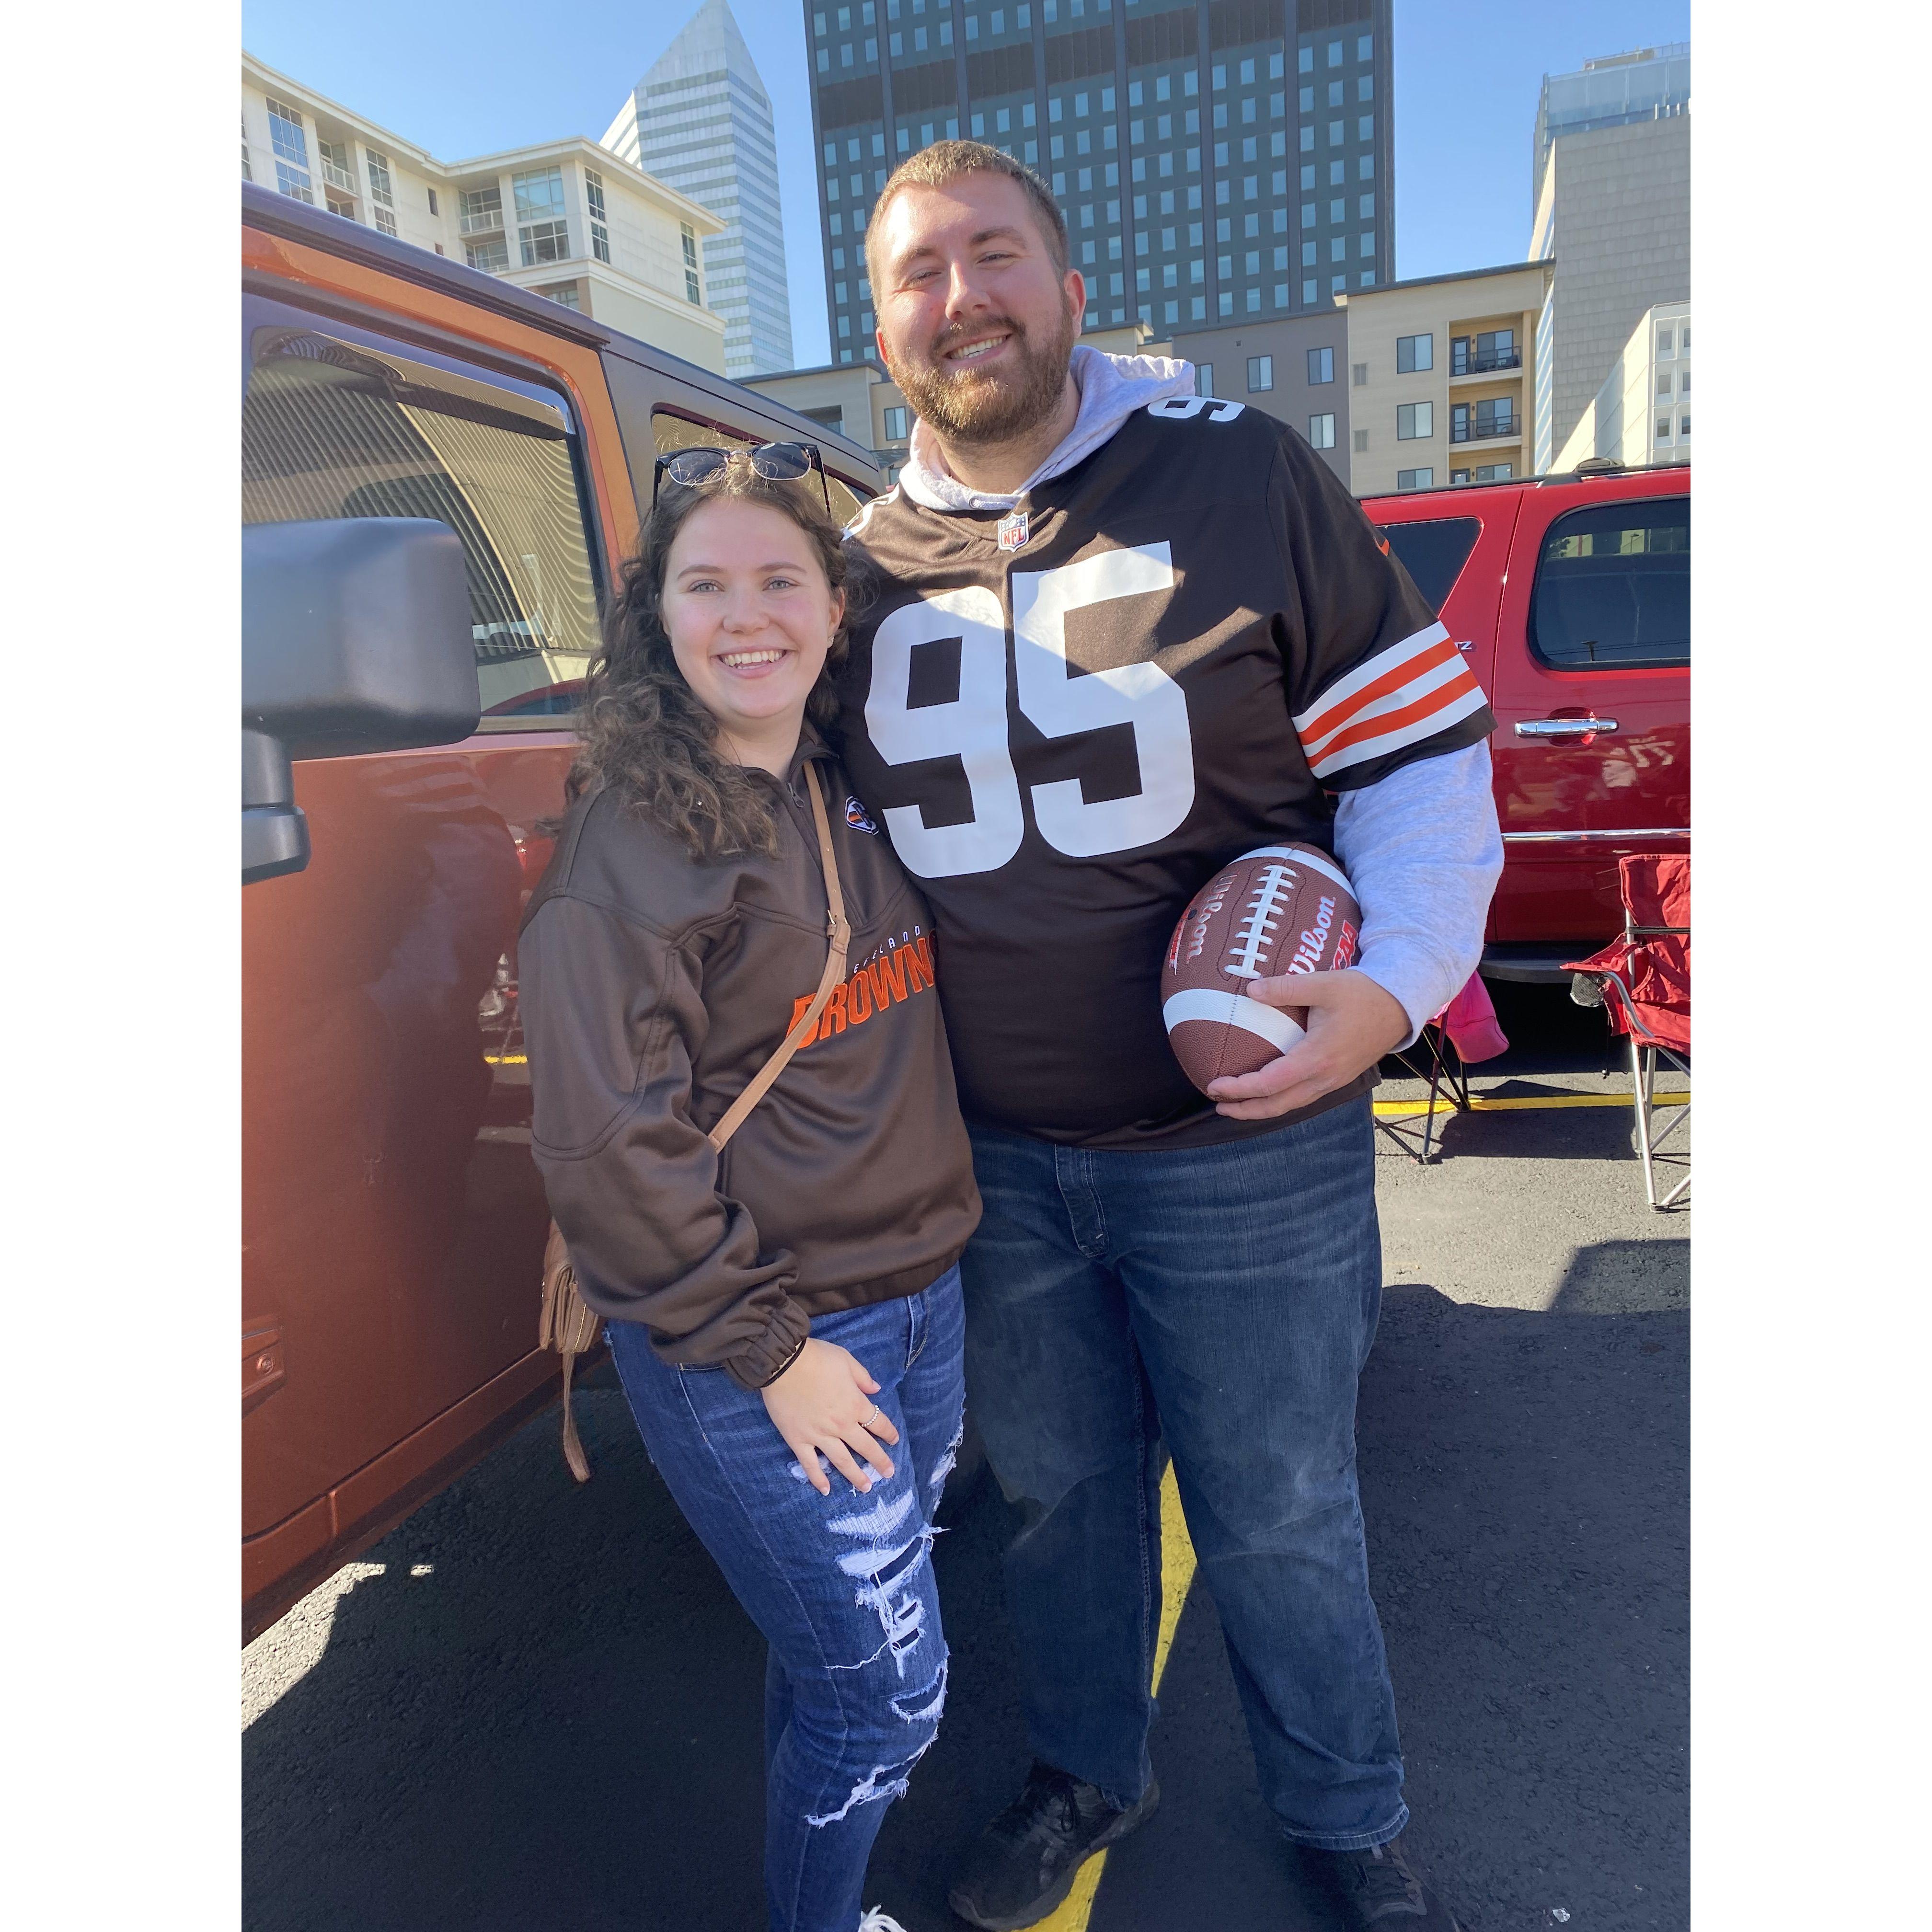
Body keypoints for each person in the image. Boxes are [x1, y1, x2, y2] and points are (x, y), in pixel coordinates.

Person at [837, 143, 1504, 1932]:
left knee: (1279, 1505)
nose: (961, 298)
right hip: (994, 1157)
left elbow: (1417, 758)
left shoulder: (1240, 473)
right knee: (1057, 1500)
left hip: (1247, 1151)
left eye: (995, 257)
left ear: (1068, 290)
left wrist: (1395, 986)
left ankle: (1348, 1816)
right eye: (919, 274)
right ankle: (1083, 1770)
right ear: (883, 330)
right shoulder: (857, 575)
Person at [517, 448, 982, 1932]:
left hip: (921, 1305)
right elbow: (606, 1141)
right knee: (890, 1699)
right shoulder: (632, 846)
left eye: (781, 579)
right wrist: (772, 1353)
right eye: (705, 584)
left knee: (833, 1662)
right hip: (771, 1336)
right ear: (657, 615)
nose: (746, 615)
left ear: (836, 608)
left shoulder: (843, 780)